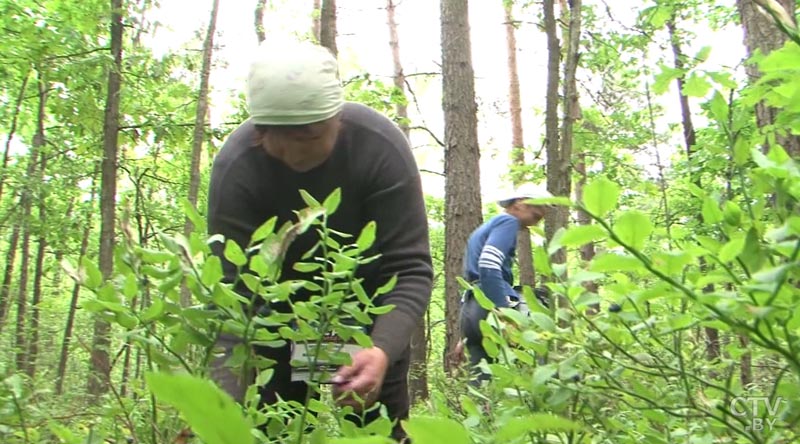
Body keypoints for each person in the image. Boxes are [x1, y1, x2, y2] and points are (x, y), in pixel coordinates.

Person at [206, 39, 433, 442]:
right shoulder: (237, 170)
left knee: (378, 432)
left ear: (336, 119)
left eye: (310, 138)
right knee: (277, 429)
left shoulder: (379, 150)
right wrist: (219, 412)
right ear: (260, 130)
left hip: (369, 322)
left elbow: (409, 268)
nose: (294, 155)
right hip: (278, 325)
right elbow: (234, 299)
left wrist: (380, 349)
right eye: (279, 140)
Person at [459, 187, 552, 385]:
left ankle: (482, 414)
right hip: (490, 306)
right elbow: (489, 263)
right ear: (520, 202)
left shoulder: (485, 227)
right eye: (538, 211)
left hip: (472, 307)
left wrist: (466, 334)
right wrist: (503, 310)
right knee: (535, 360)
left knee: (480, 381)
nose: (541, 217)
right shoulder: (507, 221)